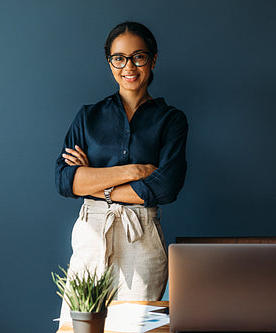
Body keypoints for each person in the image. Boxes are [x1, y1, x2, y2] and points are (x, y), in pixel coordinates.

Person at [55, 21, 188, 322]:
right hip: (91, 232)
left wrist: (92, 180)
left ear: (153, 59)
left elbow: (166, 187)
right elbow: (64, 180)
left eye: (138, 56)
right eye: (119, 58)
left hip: (141, 235)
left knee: (137, 326)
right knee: (78, 326)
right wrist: (136, 170)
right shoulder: (88, 117)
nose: (129, 66)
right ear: (110, 63)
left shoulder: (171, 120)